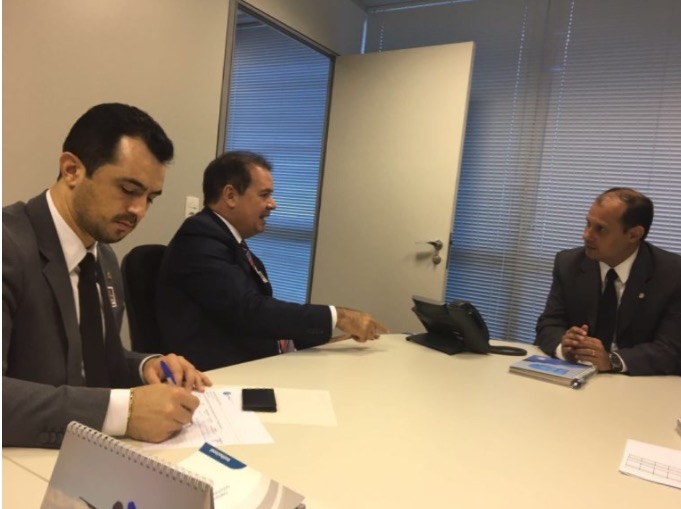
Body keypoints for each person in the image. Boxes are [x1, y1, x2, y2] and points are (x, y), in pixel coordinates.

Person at [2, 103, 212, 448]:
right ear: (72, 169)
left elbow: (90, 359)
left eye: (150, 198)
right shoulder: (8, 247)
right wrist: (124, 413)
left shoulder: (104, 258)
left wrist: (147, 365)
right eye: (129, 190)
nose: (139, 210)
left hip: (91, 455)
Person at [156, 151, 388, 370]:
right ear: (230, 196)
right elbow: (248, 311)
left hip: (257, 362)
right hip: (222, 376)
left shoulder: (227, 241)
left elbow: (262, 318)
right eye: (264, 195)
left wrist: (324, 343)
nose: (272, 204)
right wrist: (338, 316)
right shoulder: (199, 239)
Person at [535, 187, 681, 376]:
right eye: (588, 224)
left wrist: (612, 360)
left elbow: (670, 348)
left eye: (600, 229)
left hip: (641, 383)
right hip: (578, 378)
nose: (586, 235)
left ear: (633, 235)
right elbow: (549, 323)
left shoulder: (672, 274)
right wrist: (564, 346)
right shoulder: (569, 263)